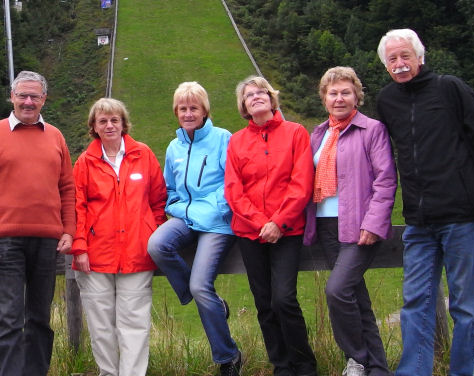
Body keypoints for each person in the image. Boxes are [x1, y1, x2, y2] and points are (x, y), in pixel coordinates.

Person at [375, 29, 474, 376]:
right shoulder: (387, 100)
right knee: (415, 303)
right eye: (392, 59)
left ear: (420, 57)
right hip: (418, 220)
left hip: (459, 216)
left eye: (405, 56)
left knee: (464, 306)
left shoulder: (449, 88)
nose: (399, 63)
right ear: (385, 65)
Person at [0, 70, 76, 376]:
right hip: (5, 243)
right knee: (9, 319)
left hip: (47, 242)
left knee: (40, 318)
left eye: (34, 96)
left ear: (44, 99)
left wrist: (69, 230)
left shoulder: (56, 137)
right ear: (12, 97)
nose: (28, 101)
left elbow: (67, 188)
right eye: (22, 95)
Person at [303, 67, 397, 376]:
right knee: (356, 298)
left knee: (337, 291)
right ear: (324, 98)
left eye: (346, 92)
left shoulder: (372, 130)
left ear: (357, 96)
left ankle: (356, 359)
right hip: (326, 226)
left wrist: (374, 223)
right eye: (333, 93)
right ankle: (377, 368)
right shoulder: (319, 134)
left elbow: (385, 180)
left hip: (359, 226)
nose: (339, 98)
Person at [224, 75, 318, 376]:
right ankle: (282, 366)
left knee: (284, 299)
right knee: (264, 303)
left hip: (287, 231)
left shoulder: (295, 132)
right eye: (249, 95)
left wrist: (278, 221)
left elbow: (302, 183)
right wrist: (260, 222)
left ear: (271, 97)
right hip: (250, 233)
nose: (256, 96)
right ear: (243, 105)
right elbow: (233, 190)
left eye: (261, 92)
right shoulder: (237, 141)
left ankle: (305, 365)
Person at [147, 82, 242, 376]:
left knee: (202, 286)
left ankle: (228, 358)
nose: (188, 114)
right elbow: (170, 188)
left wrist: (213, 211)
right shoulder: (173, 147)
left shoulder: (223, 138)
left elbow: (231, 183)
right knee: (156, 245)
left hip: (216, 222)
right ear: (176, 112)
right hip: (185, 217)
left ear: (204, 111)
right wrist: (176, 205)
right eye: (183, 108)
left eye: (193, 108)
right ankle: (210, 303)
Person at [71, 98, 167, 376]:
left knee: (135, 324)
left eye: (115, 120)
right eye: (103, 121)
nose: (109, 125)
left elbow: (159, 200)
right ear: (94, 127)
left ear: (124, 123)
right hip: (95, 257)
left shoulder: (143, 155)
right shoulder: (85, 162)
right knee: (101, 326)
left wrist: (152, 234)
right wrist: (80, 247)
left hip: (137, 253)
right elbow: (77, 207)